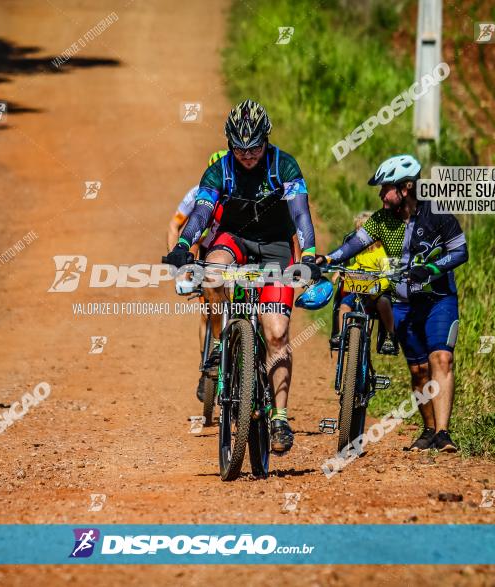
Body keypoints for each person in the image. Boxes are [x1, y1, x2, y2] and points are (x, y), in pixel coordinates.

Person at [164, 99, 320, 453]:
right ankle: (221, 343)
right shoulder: (219, 170)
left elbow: (301, 215)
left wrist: (308, 255)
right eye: (239, 148)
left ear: (266, 140)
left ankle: (279, 418)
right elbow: (201, 215)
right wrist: (184, 246)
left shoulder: (284, 165)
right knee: (212, 270)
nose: (247, 155)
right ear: (229, 142)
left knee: (277, 334)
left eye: (254, 148)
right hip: (234, 239)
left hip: (277, 246)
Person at [322, 154, 468, 452]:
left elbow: (460, 252)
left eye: (385, 188)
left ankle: (443, 433)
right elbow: (355, 243)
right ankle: (428, 430)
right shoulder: (382, 220)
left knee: (441, 358)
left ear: (406, 188)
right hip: (402, 302)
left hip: (439, 299)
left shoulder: (437, 212)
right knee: (418, 371)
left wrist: (430, 269)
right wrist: (327, 258)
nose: (380, 194)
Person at [167, 149, 228, 402]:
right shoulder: (197, 194)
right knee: (207, 312)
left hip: (230, 248)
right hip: (204, 248)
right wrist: (178, 267)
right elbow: (174, 225)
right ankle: (207, 369)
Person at [329, 211, 397, 355]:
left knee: (384, 304)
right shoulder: (360, 252)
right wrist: (343, 272)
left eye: (362, 232)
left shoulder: (382, 252)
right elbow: (356, 267)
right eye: (358, 232)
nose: (359, 236)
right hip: (359, 290)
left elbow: (387, 274)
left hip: (377, 292)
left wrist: (377, 289)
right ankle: (342, 335)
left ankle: (390, 336)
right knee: (345, 304)